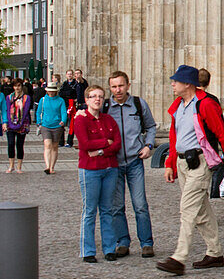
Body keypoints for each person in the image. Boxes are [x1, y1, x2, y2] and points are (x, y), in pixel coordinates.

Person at [156, 64, 224, 275]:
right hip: (182, 163)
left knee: (188, 208)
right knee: (201, 210)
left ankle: (179, 257)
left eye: (176, 81)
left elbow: (222, 135)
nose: (172, 84)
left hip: (200, 163)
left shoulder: (205, 104)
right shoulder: (178, 105)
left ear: (188, 84)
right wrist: (170, 163)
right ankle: (215, 253)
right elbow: (175, 137)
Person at [105, 71, 157, 259]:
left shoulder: (138, 104)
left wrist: (149, 145)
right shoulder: (105, 107)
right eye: (114, 86)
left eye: (120, 85)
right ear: (110, 88)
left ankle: (146, 243)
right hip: (113, 163)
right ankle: (123, 242)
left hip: (135, 161)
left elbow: (151, 126)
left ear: (128, 85)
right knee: (116, 206)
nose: (118, 90)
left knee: (140, 204)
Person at [75, 84, 122, 263]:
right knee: (89, 211)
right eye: (93, 96)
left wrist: (101, 150)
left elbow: (116, 144)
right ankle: (88, 251)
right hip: (90, 170)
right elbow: (85, 144)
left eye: (101, 96)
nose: (97, 99)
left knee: (107, 210)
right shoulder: (81, 120)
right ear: (86, 100)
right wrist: (105, 142)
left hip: (110, 168)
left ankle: (109, 248)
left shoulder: (108, 120)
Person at [36, 79, 68, 174]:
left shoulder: (60, 100)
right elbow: (39, 112)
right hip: (45, 125)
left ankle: (52, 167)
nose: (51, 92)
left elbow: (63, 112)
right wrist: (39, 122)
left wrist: (63, 120)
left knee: (54, 146)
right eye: (50, 90)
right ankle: (47, 166)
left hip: (57, 125)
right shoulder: (43, 99)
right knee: (47, 144)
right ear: (47, 91)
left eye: (53, 91)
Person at [5, 78, 31, 173]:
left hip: (22, 124)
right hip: (10, 123)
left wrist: (20, 123)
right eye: (15, 86)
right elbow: (7, 110)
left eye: (19, 86)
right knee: (10, 144)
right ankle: (11, 165)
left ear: (21, 86)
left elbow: (25, 111)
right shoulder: (9, 97)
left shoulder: (26, 98)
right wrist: (9, 123)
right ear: (13, 87)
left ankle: (19, 166)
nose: (17, 88)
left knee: (20, 145)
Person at [61, 68, 77, 146]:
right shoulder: (64, 84)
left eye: (71, 74)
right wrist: (68, 93)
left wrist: (68, 93)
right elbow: (61, 93)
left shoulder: (75, 83)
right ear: (66, 75)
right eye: (68, 74)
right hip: (65, 104)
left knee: (71, 124)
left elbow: (74, 93)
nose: (69, 75)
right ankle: (61, 142)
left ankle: (69, 141)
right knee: (62, 123)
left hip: (72, 106)